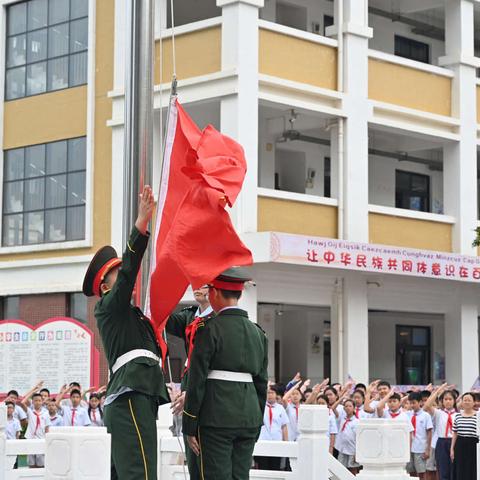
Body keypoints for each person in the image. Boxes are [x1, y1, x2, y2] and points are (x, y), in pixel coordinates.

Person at [82, 185, 169, 479]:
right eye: (116, 273)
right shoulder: (108, 306)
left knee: (130, 473)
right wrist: (140, 227)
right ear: (105, 286)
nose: (124, 275)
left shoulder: (128, 315)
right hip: (130, 394)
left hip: (135, 393)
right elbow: (131, 271)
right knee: (140, 473)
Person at [182, 267, 268, 480]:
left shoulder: (209, 329)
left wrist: (189, 424)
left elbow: (197, 380)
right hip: (248, 418)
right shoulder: (258, 333)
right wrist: (256, 421)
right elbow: (261, 383)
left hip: (215, 418)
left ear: (216, 293)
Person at [166, 285, 215, 480]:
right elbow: (162, 318)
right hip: (190, 381)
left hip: (210, 389)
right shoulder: (189, 317)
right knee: (193, 458)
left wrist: (193, 392)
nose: (197, 288)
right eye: (195, 282)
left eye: (203, 284)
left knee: (208, 461)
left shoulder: (220, 319)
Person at [423, 383, 458, 480]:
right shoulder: (439, 413)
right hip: (442, 442)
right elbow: (426, 406)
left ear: (454, 401)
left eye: (450, 399)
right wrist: (438, 391)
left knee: (454, 469)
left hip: (455, 442)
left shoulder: (459, 414)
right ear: (442, 401)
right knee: (443, 469)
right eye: (445, 399)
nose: (448, 401)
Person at [256, 386, 289, 471]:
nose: (270, 395)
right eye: (268, 393)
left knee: (275, 468)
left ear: (276, 395)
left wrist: (286, 443)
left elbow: (284, 426)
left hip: (276, 442)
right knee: (263, 468)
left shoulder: (280, 408)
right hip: (263, 441)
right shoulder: (261, 406)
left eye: (272, 393)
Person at [451, 392, 478, 480]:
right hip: (460, 445)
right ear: (461, 402)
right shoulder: (457, 416)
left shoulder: (478, 416)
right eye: (465, 400)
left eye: (469, 400)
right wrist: (452, 448)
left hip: (474, 444)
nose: (466, 402)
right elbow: (455, 433)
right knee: (460, 468)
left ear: (474, 402)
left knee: (472, 468)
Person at [20, 392, 50, 468]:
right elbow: (22, 402)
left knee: (41, 463)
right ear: (32, 402)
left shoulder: (45, 413)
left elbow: (47, 427)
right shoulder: (30, 412)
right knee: (31, 462)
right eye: (35, 400)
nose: (38, 402)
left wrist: (47, 439)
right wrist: (34, 390)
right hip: (31, 438)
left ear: (42, 401)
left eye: (39, 400)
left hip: (41, 439)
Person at [407, 392, 433, 480]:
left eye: (414, 402)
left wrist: (427, 449)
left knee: (421, 472)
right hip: (408, 448)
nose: (412, 405)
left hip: (420, 448)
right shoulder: (408, 414)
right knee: (411, 472)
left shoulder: (426, 416)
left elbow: (429, 432)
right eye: (410, 403)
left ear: (420, 402)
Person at [336, 399, 360, 474]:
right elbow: (333, 408)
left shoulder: (357, 421)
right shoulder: (342, 419)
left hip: (352, 450)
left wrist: (357, 451)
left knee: (352, 469)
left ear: (354, 408)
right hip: (342, 449)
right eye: (346, 406)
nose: (348, 408)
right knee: (341, 468)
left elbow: (359, 437)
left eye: (350, 406)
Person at [5, 401, 21, 470]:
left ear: (13, 409)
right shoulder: (1, 420)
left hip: (13, 445)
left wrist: (16, 445)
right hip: (3, 445)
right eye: (8, 408)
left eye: (11, 408)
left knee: (14, 465)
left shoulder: (16, 421)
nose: (9, 409)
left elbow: (17, 434)